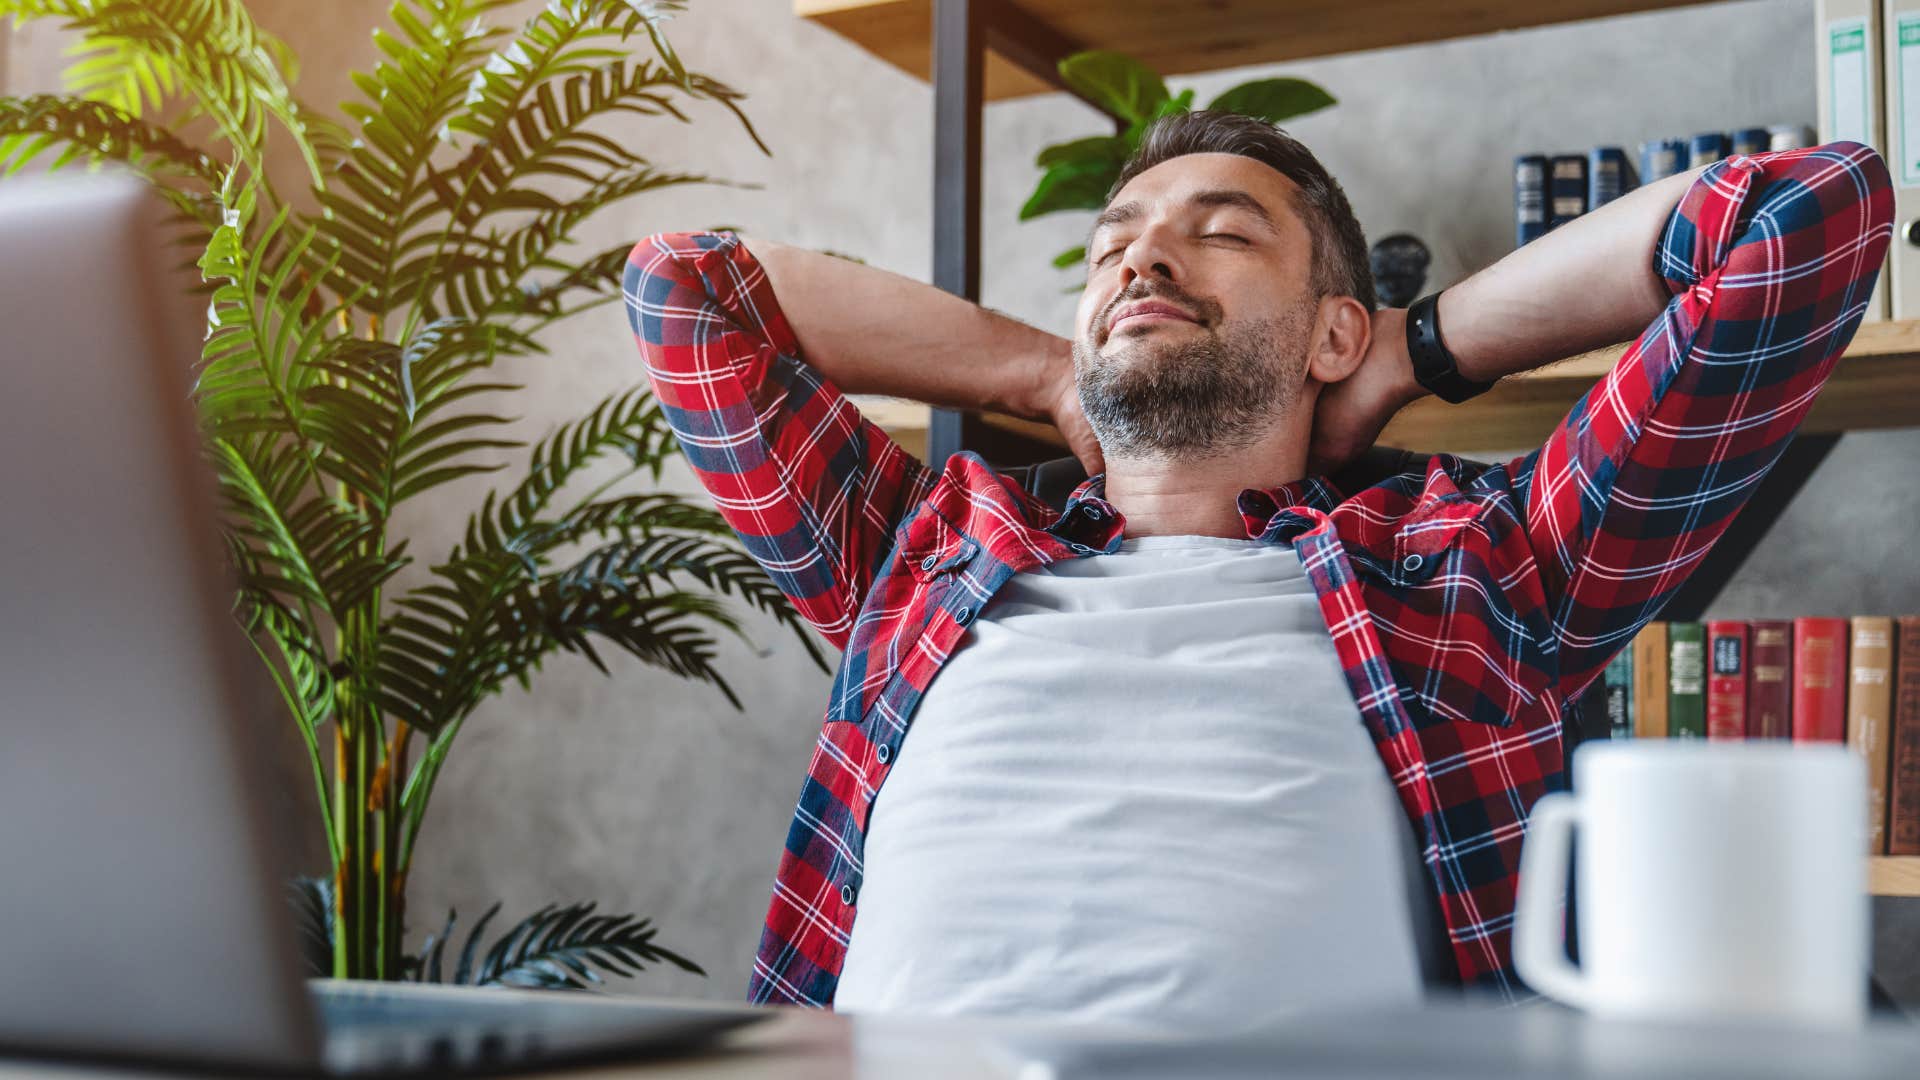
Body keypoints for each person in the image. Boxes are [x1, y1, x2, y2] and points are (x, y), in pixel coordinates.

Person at [622, 111, 1892, 1029]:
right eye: (1116, 242)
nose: (1143, 259)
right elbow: (684, 289)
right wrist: (1050, 373)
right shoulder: (921, 551)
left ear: (1333, 330)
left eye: (1221, 234)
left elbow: (1804, 217)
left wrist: (1415, 347)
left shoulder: (1471, 571)